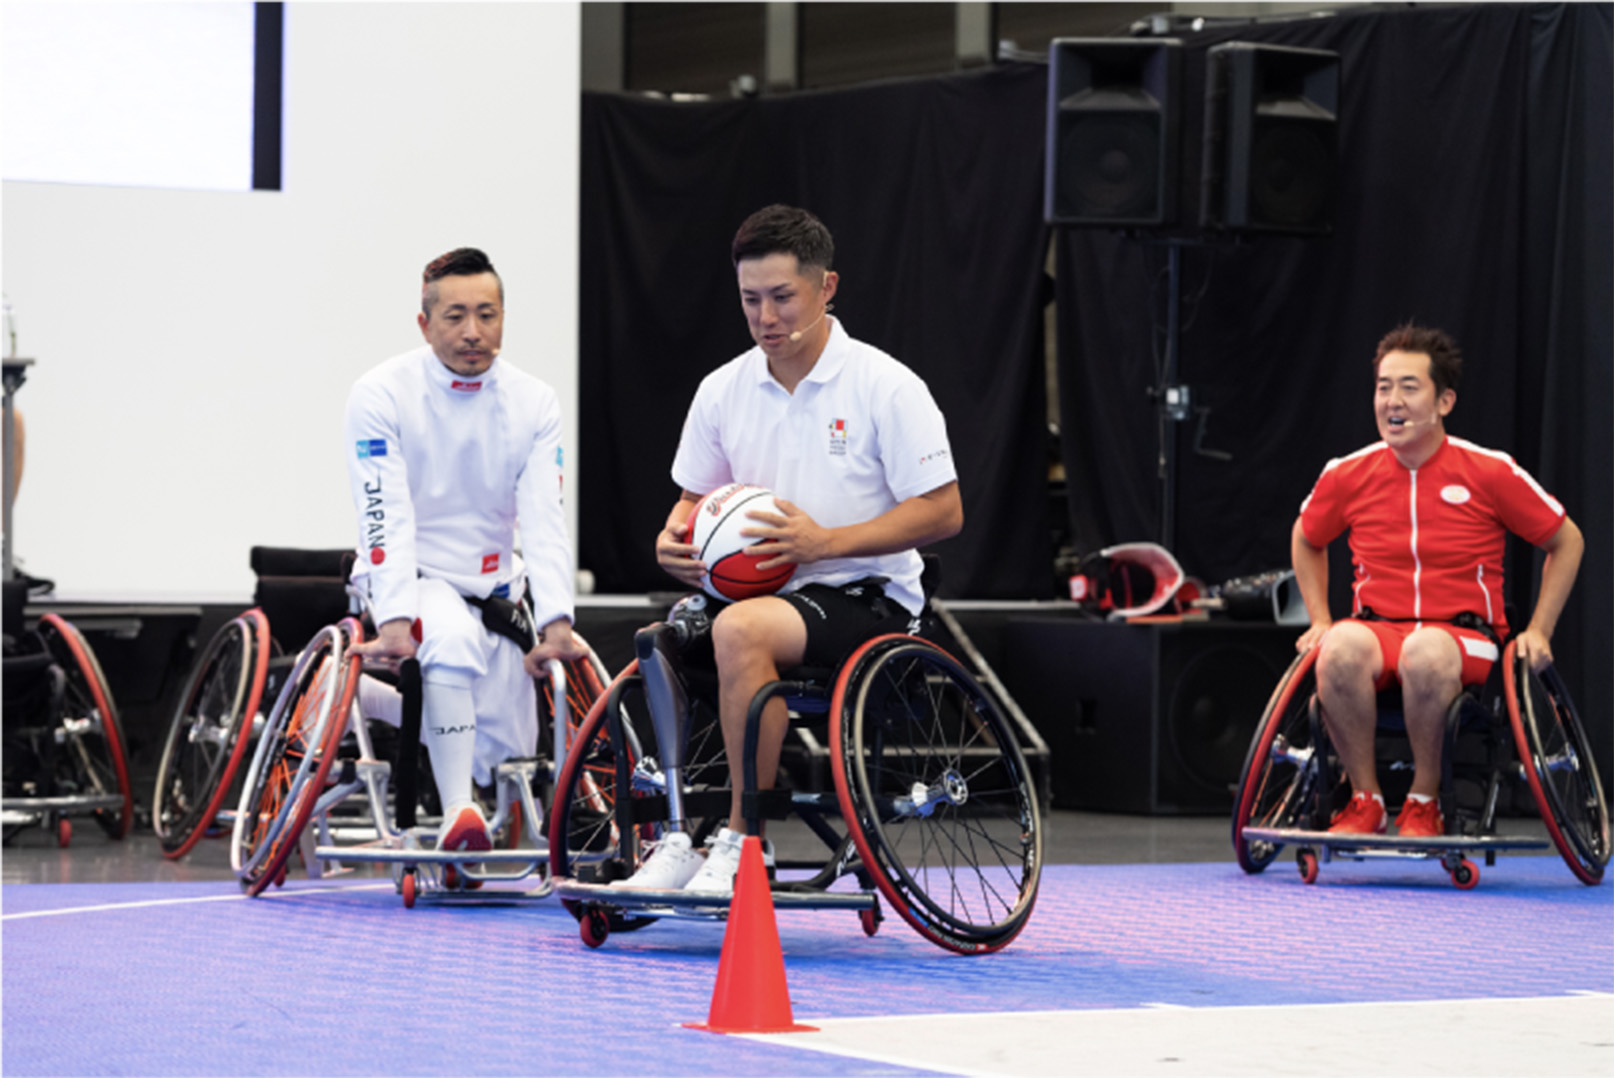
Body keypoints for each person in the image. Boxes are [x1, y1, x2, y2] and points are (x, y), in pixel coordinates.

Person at [625, 204, 963, 894]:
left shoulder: (886, 386)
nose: (765, 317)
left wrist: (825, 542)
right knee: (660, 642)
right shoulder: (723, 389)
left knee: (741, 630)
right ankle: (678, 838)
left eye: (782, 297)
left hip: (866, 596)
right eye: (750, 299)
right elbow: (693, 498)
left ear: (826, 286)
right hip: (760, 591)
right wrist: (673, 537)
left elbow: (944, 511)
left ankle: (743, 841)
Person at [1291, 324, 1583, 837]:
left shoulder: (1489, 471)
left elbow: (1567, 540)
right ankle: (1364, 799)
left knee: (1424, 651)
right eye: (1383, 387)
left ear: (1444, 401)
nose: (1392, 401)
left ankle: (1425, 799)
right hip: (1379, 629)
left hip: (1464, 637)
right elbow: (1306, 536)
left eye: (1409, 387)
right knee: (1337, 648)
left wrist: (1539, 630)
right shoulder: (1347, 474)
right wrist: (1319, 619)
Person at [343, 247, 588, 857]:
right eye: (455, 316)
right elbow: (384, 513)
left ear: (503, 318)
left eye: (487, 314)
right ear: (424, 324)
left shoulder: (534, 401)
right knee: (449, 639)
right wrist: (394, 619)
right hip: (412, 576)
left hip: (496, 586)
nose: (473, 331)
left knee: (502, 748)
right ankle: (459, 811)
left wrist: (557, 622)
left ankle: (368, 701)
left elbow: (544, 518)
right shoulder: (380, 393)